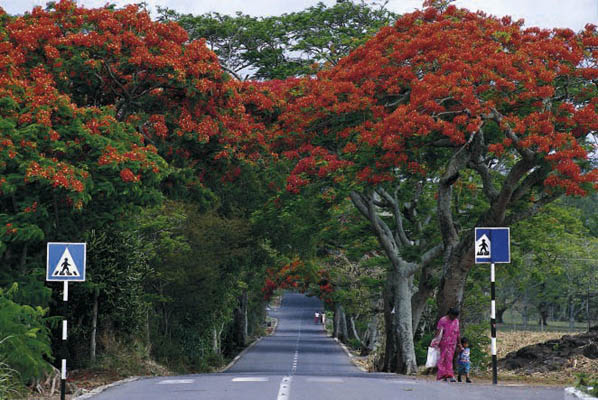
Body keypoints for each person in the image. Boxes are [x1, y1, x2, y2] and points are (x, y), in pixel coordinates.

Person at [432, 307, 460, 382]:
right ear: (450, 314)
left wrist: (459, 343)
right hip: (443, 343)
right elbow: (438, 331)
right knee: (442, 359)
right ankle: (442, 375)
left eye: (455, 317)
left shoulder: (456, 321)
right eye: (453, 316)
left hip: (452, 343)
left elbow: (457, 333)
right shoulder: (443, 320)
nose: (454, 318)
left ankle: (449, 375)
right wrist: (435, 341)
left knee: (449, 359)